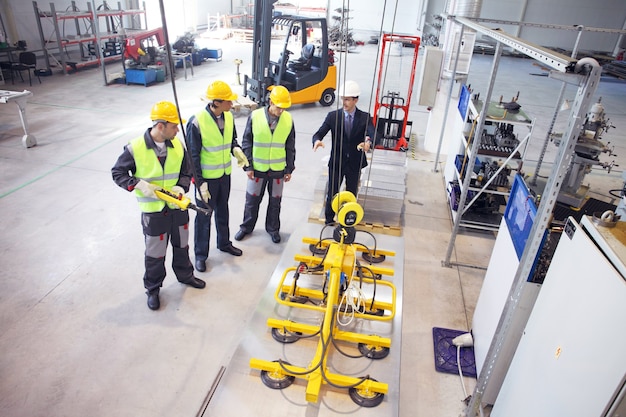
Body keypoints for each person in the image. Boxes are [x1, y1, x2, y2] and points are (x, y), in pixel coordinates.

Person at [111, 101, 206, 311]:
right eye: (174, 126)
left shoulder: (179, 146)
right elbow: (117, 173)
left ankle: (185, 275)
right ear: (161, 126)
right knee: (155, 254)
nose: (178, 130)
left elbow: (186, 172)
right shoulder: (135, 148)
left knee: (182, 246)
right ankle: (153, 289)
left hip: (177, 209)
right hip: (153, 214)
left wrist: (181, 188)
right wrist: (136, 184)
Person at [185, 81, 249, 272]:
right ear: (217, 102)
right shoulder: (196, 122)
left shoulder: (228, 117)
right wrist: (199, 183)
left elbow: (231, 141)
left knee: (223, 211)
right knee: (203, 217)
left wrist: (236, 150)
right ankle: (200, 255)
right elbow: (192, 156)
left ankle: (224, 243)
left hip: (224, 176)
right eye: (228, 102)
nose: (232, 105)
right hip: (206, 180)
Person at [234, 85, 296, 244]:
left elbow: (290, 145)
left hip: (278, 170)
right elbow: (247, 141)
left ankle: (273, 229)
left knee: (275, 202)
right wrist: (248, 166)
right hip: (257, 169)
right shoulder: (255, 117)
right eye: (278, 107)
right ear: (270, 102)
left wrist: (289, 168)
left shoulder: (288, 119)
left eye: (283, 108)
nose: (281, 111)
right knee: (251, 201)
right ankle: (246, 227)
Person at [312, 80, 376, 225]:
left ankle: (347, 220)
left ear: (355, 100)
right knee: (333, 192)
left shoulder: (365, 118)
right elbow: (318, 134)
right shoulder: (333, 116)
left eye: (347, 99)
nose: (344, 102)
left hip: (354, 162)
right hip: (337, 162)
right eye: (343, 99)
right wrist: (316, 141)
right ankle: (329, 219)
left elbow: (374, 134)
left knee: (351, 192)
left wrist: (368, 143)